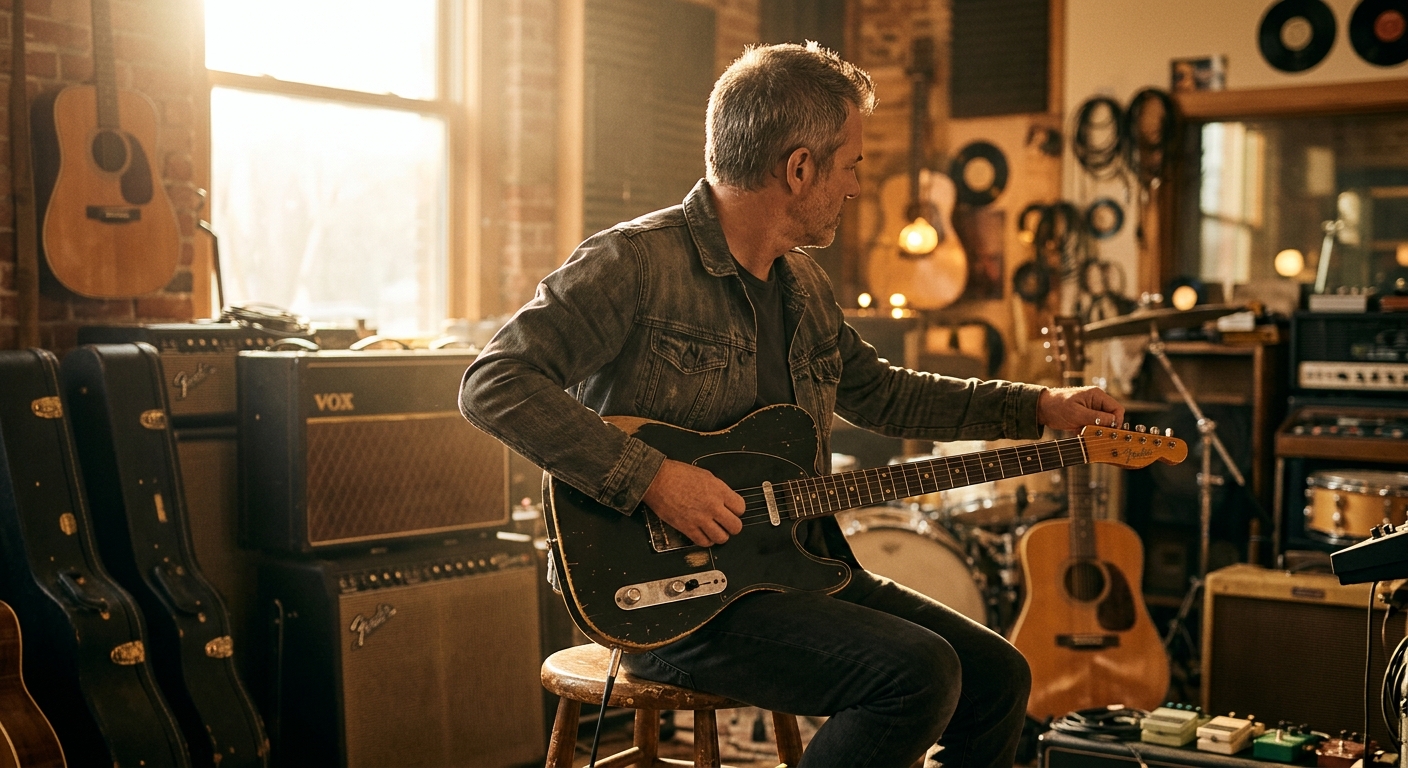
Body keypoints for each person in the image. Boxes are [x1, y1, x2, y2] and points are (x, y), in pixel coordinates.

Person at [461, 42, 1125, 768]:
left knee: (1000, 677)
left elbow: (881, 392)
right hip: (667, 596)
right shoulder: (633, 263)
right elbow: (494, 381)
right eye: (852, 166)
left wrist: (1039, 407)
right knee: (915, 675)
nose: (857, 187)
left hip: (797, 560)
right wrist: (654, 478)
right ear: (800, 167)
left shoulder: (803, 284)